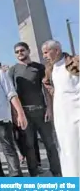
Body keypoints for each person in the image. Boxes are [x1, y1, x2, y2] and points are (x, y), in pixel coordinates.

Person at [8, 42, 61, 177]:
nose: (20, 53)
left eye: (22, 50)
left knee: (50, 144)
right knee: (29, 146)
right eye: (17, 52)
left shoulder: (39, 67)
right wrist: (16, 114)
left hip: (42, 112)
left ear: (28, 51)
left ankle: (57, 172)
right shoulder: (13, 70)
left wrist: (49, 109)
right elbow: (11, 94)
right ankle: (33, 174)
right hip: (25, 115)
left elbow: (46, 90)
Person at [42, 40, 80, 177]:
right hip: (61, 113)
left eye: (46, 52)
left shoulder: (75, 63)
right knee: (66, 146)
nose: (44, 56)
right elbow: (50, 87)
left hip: (76, 110)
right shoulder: (50, 69)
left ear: (57, 50)